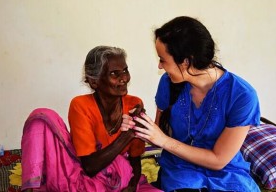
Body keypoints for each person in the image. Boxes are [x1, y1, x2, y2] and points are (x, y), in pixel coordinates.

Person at [121, 16, 261, 192]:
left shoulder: (242, 96)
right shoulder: (168, 83)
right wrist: (140, 128)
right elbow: (161, 132)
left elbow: (218, 160)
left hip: (227, 174)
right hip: (180, 170)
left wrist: (163, 140)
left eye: (163, 59)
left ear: (186, 61)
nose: (159, 66)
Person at [21, 46, 162, 192]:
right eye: (114, 73)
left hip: (120, 179)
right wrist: (128, 135)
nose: (124, 78)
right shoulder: (80, 105)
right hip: (84, 179)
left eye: (125, 70)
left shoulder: (134, 104)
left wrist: (132, 186)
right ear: (94, 82)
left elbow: (134, 158)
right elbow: (89, 167)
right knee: (41, 117)